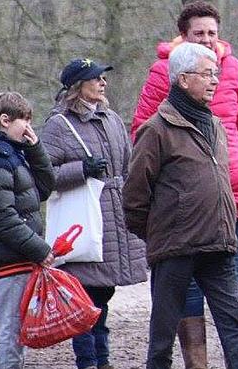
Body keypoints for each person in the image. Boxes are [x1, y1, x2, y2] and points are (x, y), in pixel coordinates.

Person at [131, 0, 238, 367]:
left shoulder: (219, 120)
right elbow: (135, 193)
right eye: (207, 75)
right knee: (164, 329)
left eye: (213, 33)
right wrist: (160, 227)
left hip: (224, 229)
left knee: (235, 320)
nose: (214, 80)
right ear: (183, 77)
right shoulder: (157, 125)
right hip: (175, 240)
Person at [40, 58, 149, 369]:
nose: (103, 83)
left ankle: (100, 359)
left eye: (103, 78)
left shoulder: (112, 119)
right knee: (85, 295)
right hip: (83, 221)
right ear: (78, 86)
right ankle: (91, 361)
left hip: (115, 218)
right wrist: (81, 170)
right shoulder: (59, 125)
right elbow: (42, 175)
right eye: (95, 78)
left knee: (103, 294)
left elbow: (128, 165)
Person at [0, 91, 55, 369]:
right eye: (25, 120)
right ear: (5, 120)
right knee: (10, 331)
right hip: (11, 259)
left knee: (17, 332)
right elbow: (3, 217)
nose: (29, 128)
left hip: (20, 256)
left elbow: (43, 189)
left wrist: (35, 150)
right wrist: (40, 249)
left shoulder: (13, 155)